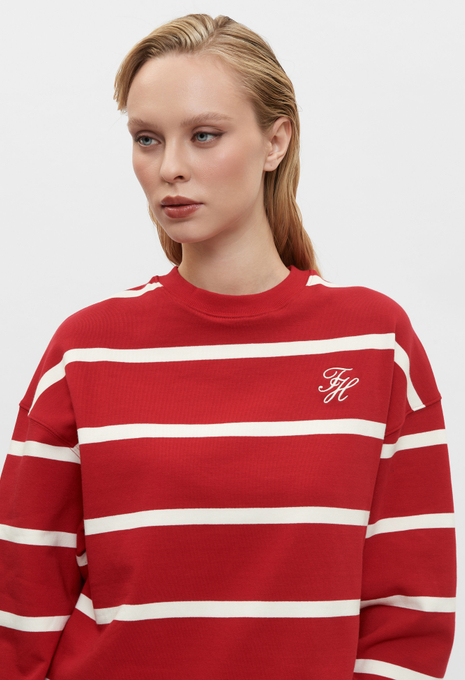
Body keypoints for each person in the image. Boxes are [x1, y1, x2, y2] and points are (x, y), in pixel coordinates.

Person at [0, 13, 456, 680]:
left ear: (275, 141)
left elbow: (409, 612)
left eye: (204, 135)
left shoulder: (373, 342)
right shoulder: (86, 351)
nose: (170, 168)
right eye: (147, 139)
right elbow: (21, 601)